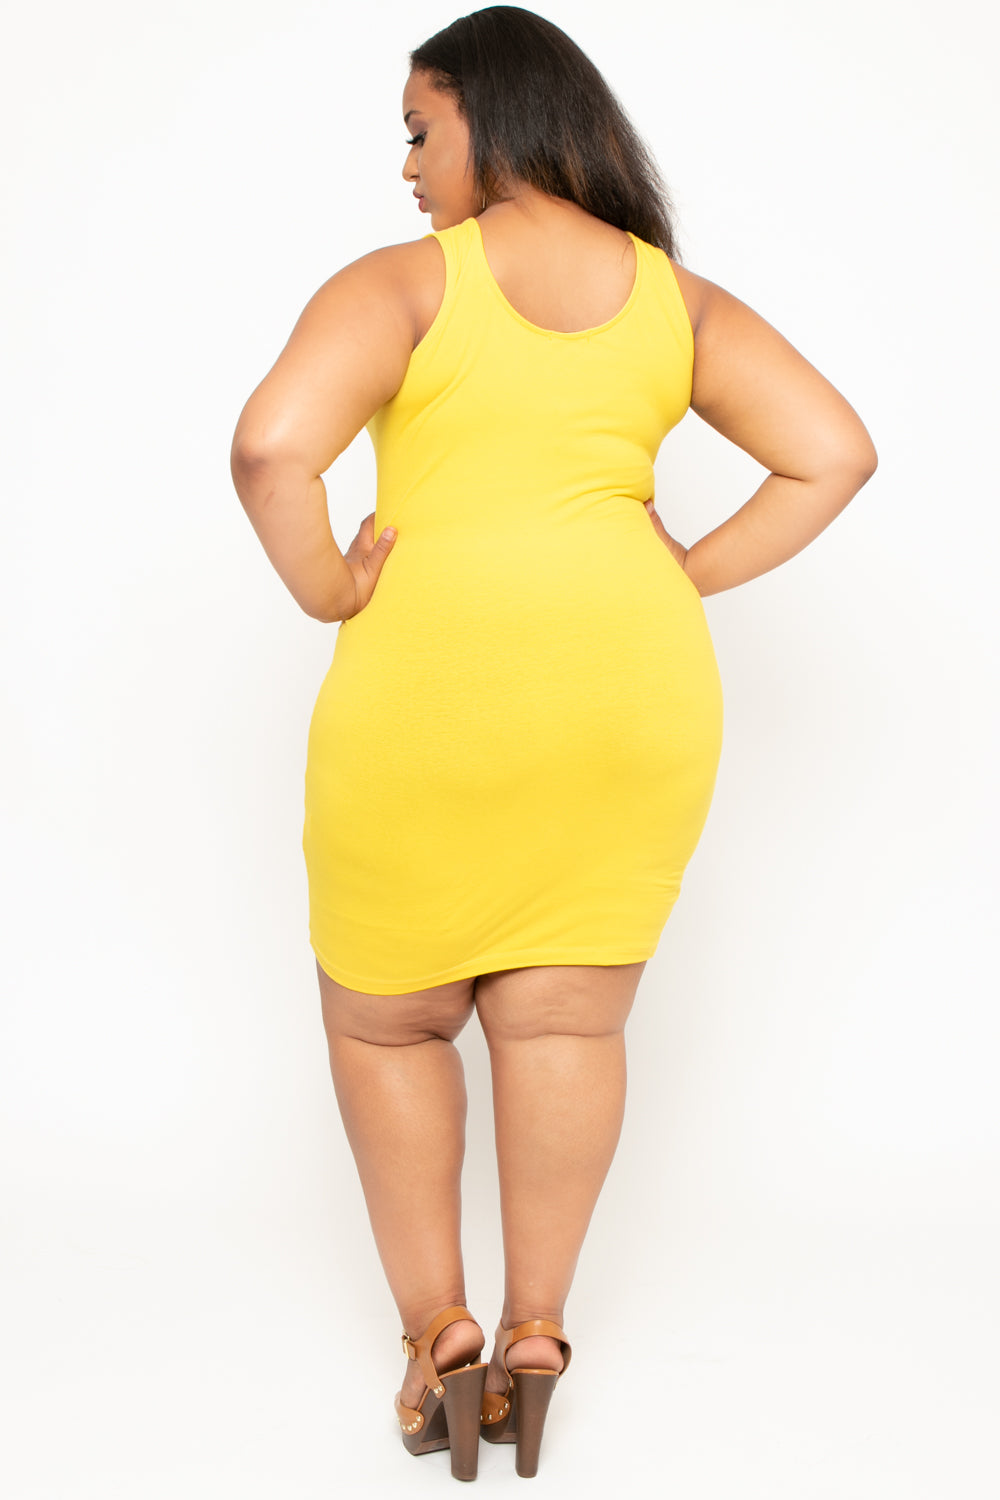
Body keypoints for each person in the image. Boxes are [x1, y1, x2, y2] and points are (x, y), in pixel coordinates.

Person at [230, 5, 877, 1482]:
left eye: (420, 129)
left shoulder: (406, 285)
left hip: (432, 698)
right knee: (568, 1025)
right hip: (631, 700)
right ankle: (536, 1335)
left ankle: (438, 1335)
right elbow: (834, 451)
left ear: (497, 115)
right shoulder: (677, 301)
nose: (407, 166)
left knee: (388, 1022)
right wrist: (678, 573)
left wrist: (331, 587)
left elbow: (271, 445)